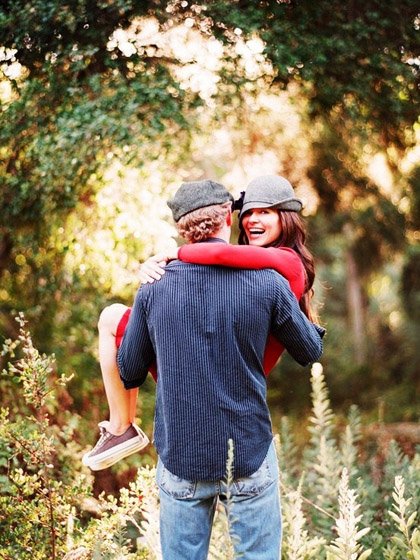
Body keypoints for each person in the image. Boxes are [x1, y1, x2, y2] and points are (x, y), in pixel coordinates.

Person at [116, 179, 325, 559]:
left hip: (182, 457)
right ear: (228, 218)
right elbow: (310, 351)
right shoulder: (269, 284)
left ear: (181, 228)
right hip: (248, 452)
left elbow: (129, 372)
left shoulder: (152, 288)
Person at [82, 175, 318, 470]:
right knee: (118, 318)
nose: (253, 220)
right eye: (248, 213)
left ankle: (121, 426)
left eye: (265, 212)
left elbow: (219, 252)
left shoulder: (287, 261)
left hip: (230, 367)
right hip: (223, 365)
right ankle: (122, 426)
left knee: (111, 317)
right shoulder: (258, 264)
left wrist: (175, 254)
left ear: (287, 219)